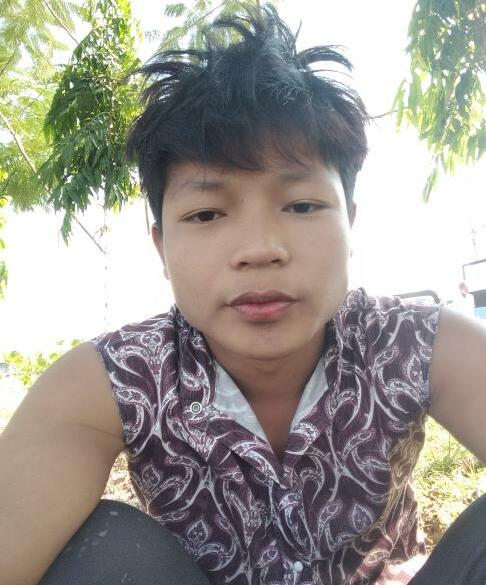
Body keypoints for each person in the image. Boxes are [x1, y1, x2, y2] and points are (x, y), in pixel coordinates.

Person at [1, 6, 485, 585]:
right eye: (206, 213)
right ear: (161, 246)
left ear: (349, 223)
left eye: (302, 205)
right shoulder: (116, 379)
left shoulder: (421, 344)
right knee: (105, 550)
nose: (260, 249)